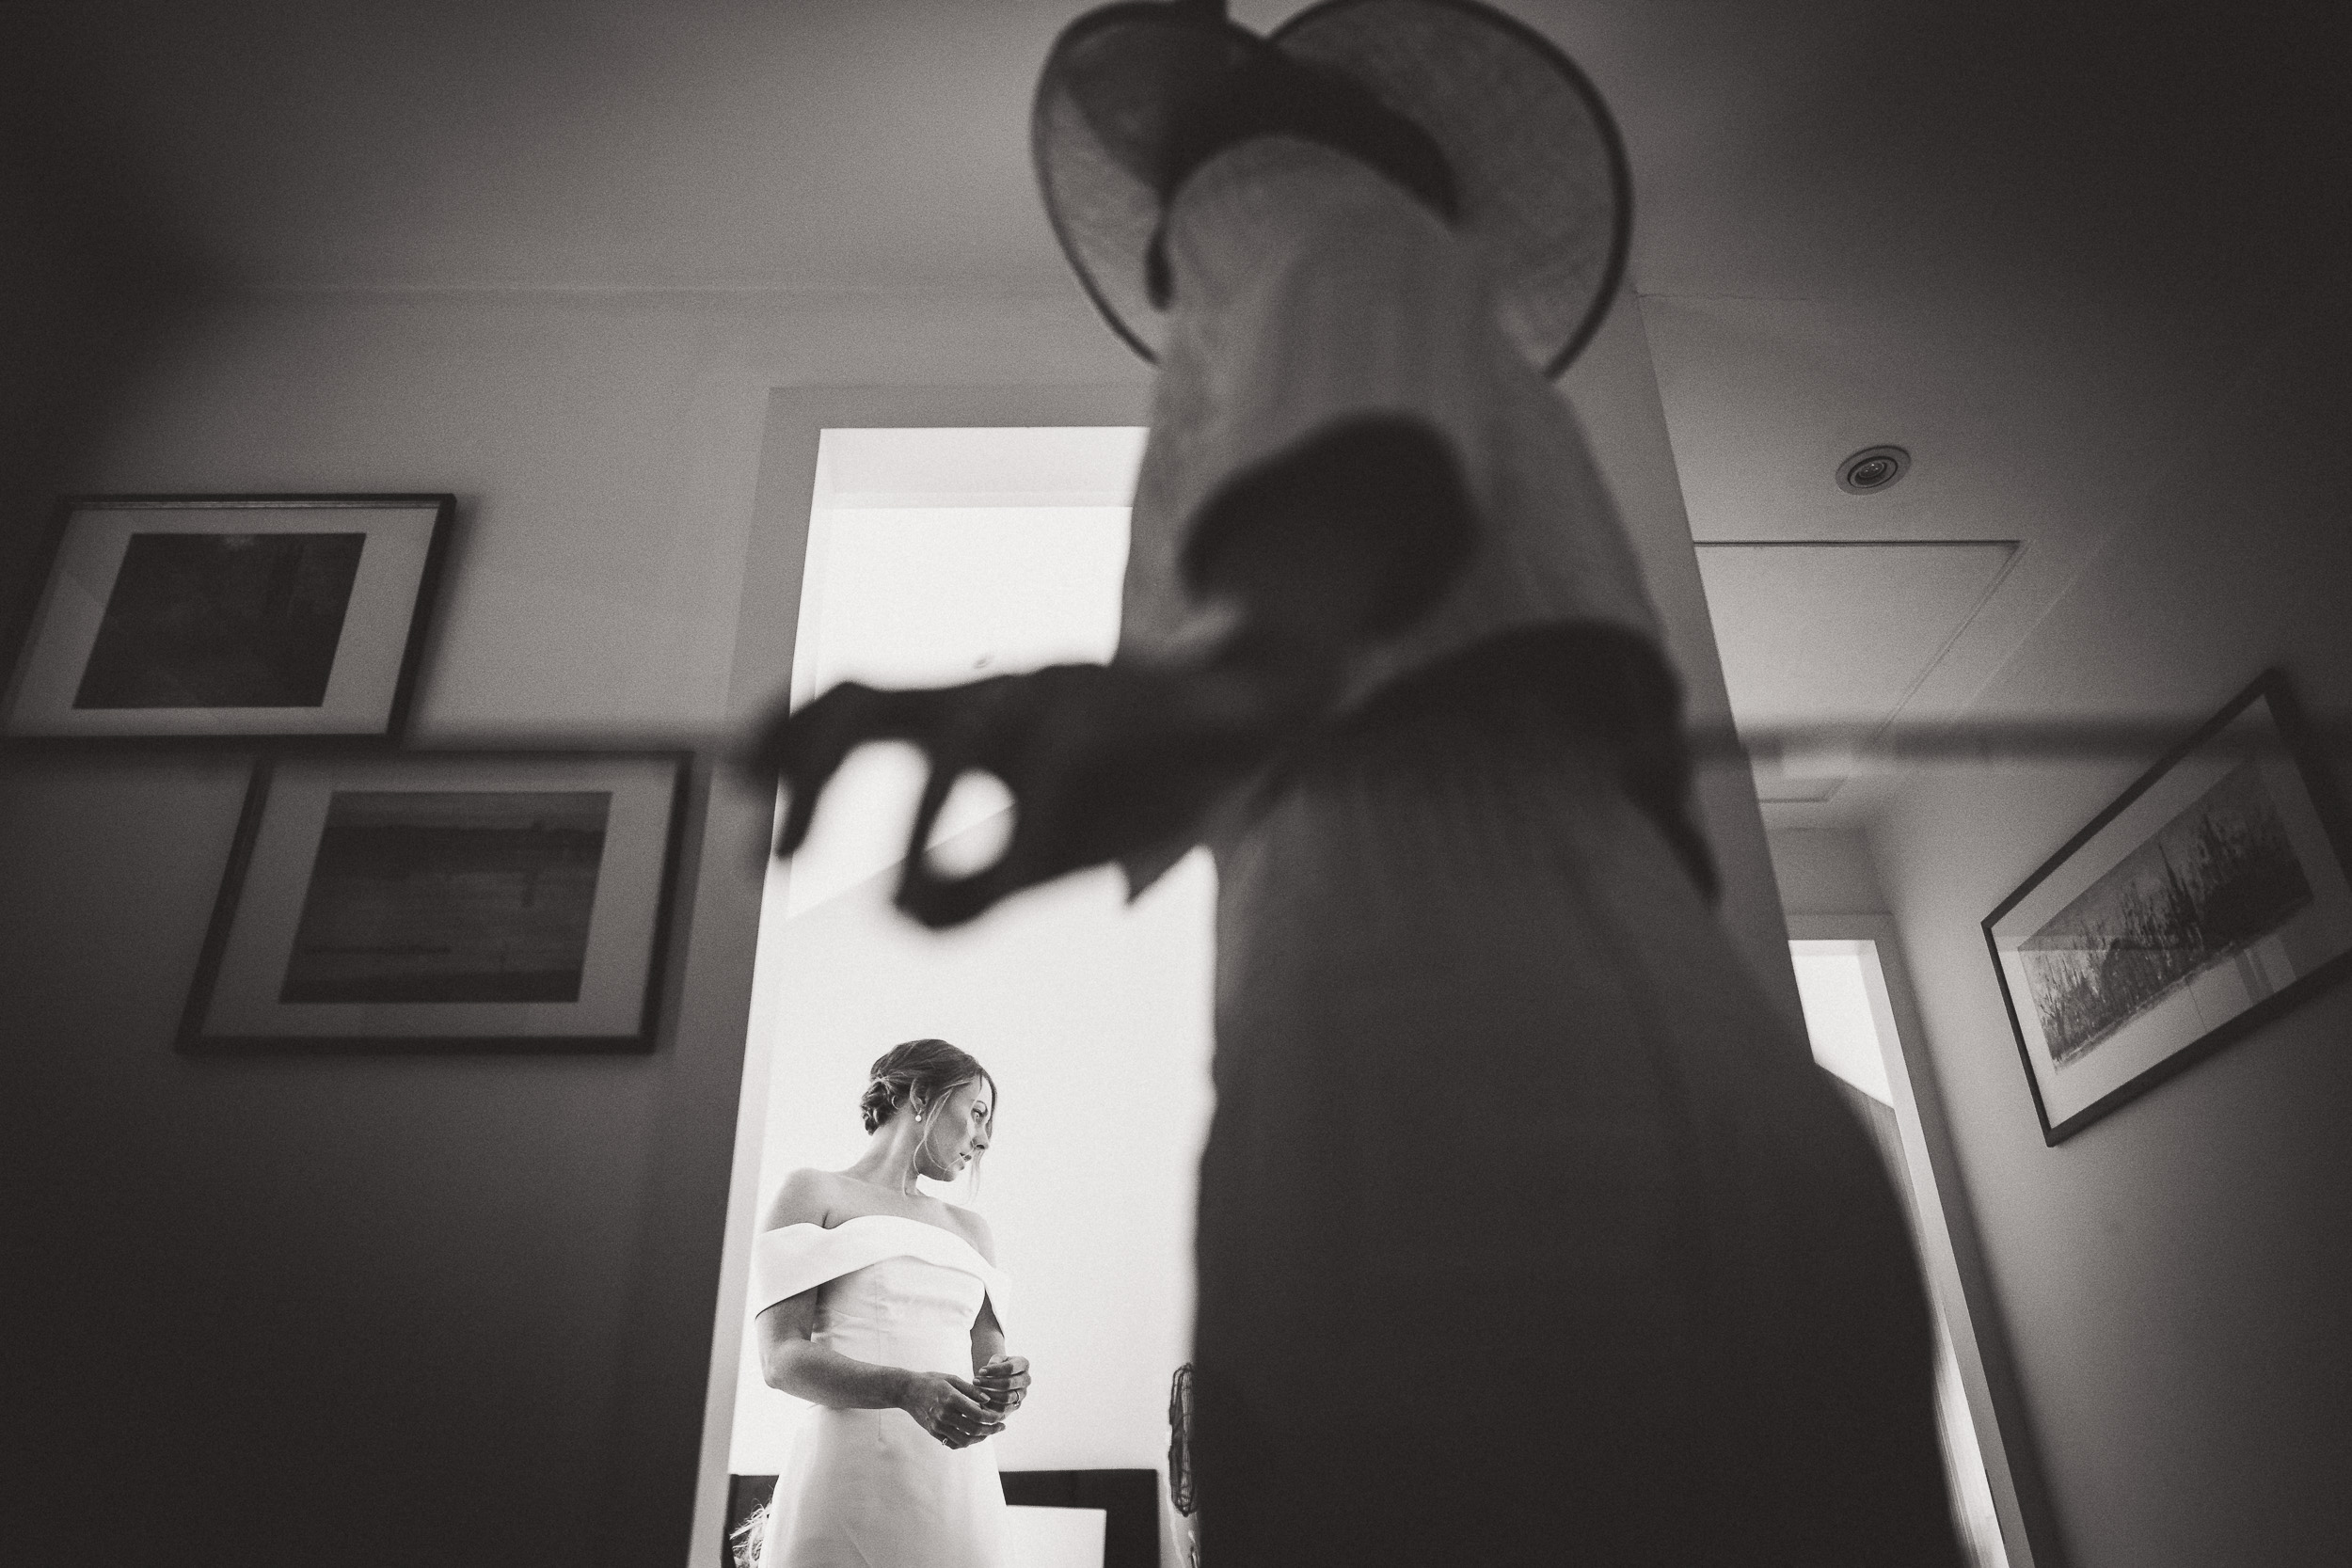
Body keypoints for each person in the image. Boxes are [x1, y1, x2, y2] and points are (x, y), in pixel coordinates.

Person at [751, 2, 1962, 1561]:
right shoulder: (1332, 353)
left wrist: (1062, 723)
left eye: (1202, 225)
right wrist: (1056, 787)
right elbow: (1258, 689)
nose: (1184, 283)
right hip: (1413, 1048)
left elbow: (1292, 606)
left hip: (1522, 1073)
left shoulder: (1327, 241)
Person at [741, 1038, 1030, 1568]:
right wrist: (905, 1388)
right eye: (978, 1113)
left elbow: (990, 1362)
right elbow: (780, 1360)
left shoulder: (973, 1231)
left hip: (958, 1486)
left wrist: (1007, 1385)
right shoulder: (814, 1192)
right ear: (921, 1096)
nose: (984, 1139)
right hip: (846, 1474)